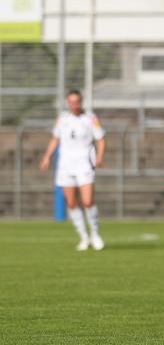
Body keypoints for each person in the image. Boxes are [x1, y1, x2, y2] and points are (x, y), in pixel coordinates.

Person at [40, 89, 107, 251]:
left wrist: (99, 157)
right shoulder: (62, 119)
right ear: (68, 103)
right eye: (71, 102)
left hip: (84, 164)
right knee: (71, 203)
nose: (74, 105)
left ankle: (95, 234)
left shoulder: (90, 118)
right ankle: (83, 237)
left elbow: (101, 140)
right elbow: (55, 139)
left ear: (81, 102)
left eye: (77, 101)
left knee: (88, 201)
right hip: (65, 165)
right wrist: (47, 157)